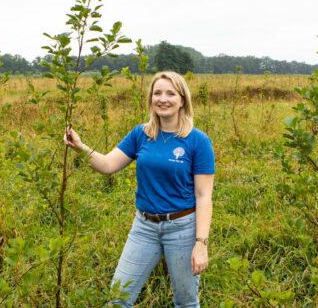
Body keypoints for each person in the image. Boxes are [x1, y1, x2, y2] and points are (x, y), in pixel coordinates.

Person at [64, 71, 215, 307]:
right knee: (118, 298)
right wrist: (80, 147)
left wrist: (201, 243)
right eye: (157, 93)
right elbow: (107, 164)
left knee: (186, 302)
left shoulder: (198, 141)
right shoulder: (141, 135)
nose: (162, 99)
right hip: (144, 227)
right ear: (150, 99)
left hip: (182, 229)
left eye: (170, 93)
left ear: (182, 99)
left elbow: (204, 196)